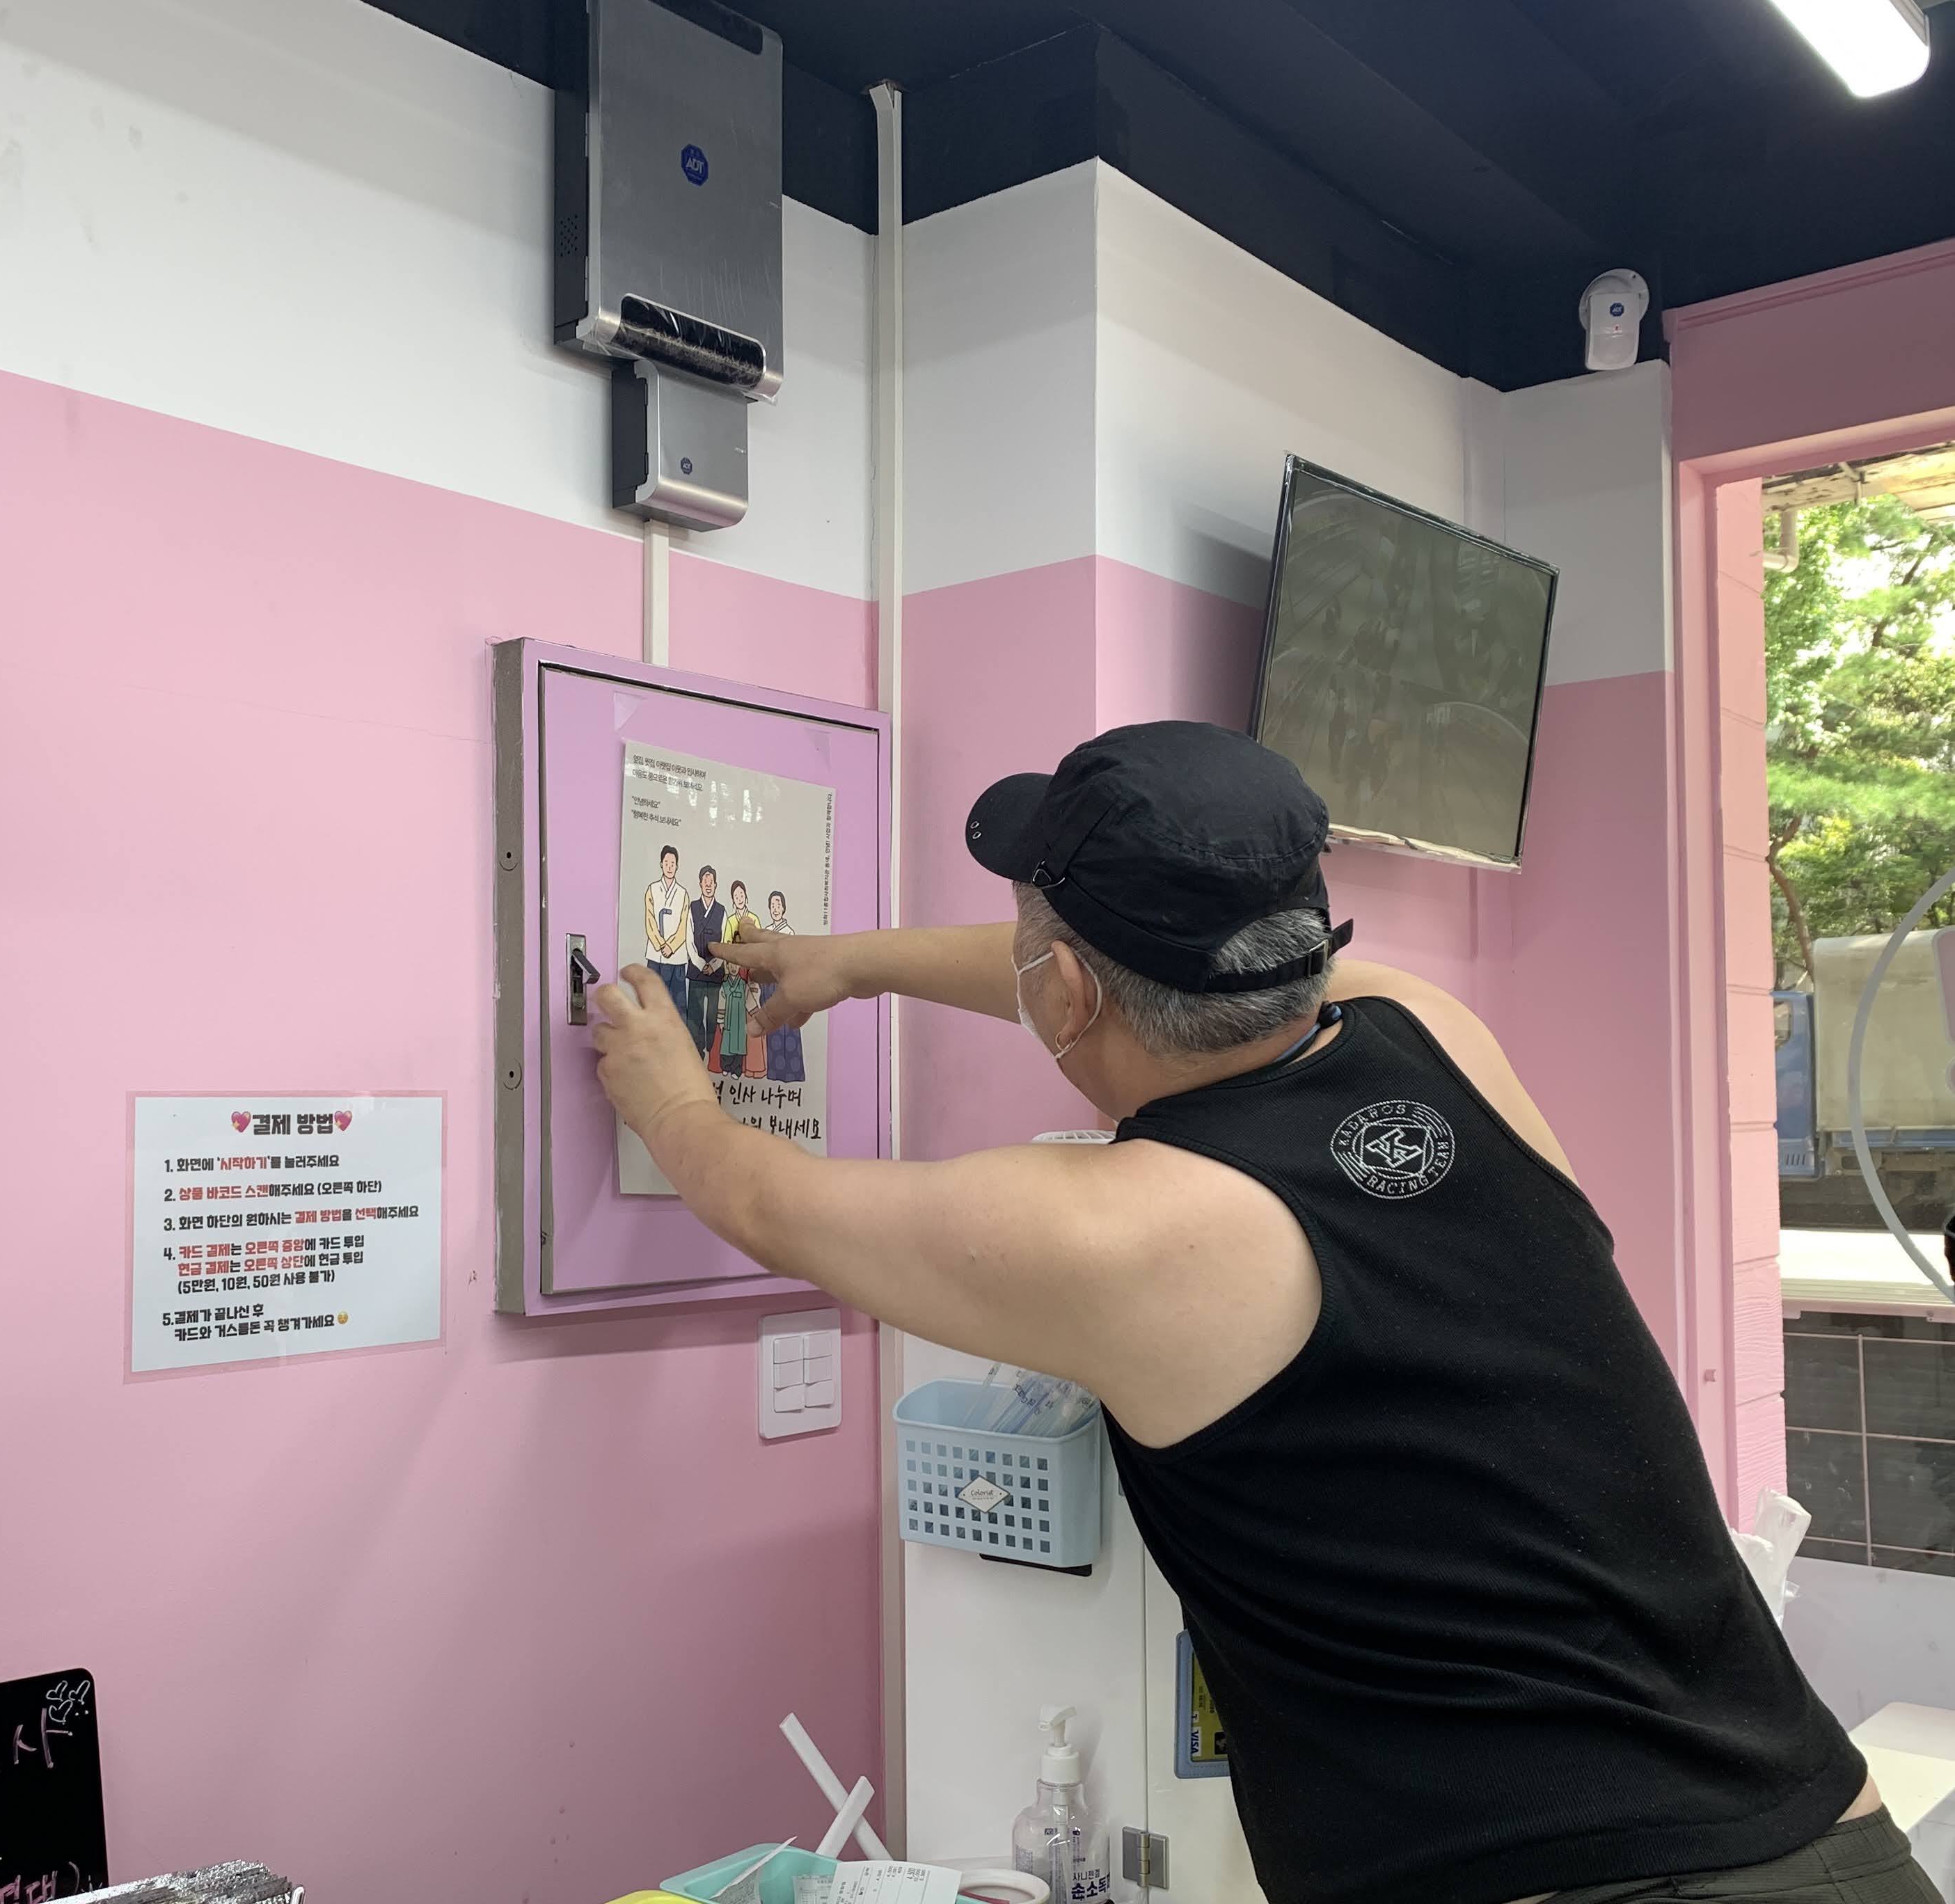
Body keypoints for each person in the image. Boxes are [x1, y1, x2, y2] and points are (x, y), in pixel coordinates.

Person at [591, 720, 1919, 1904]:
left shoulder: (1122, 1230)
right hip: (1830, 1834)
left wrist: (667, 1094)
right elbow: (1103, 977)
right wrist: (852, 964)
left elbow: (766, 1200)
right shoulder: (1429, 1032)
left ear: (1065, 992)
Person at [640, 844, 691, 1010]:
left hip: (677, 958)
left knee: (677, 1008)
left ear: (677, 866)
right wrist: (661, 944)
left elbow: (684, 925)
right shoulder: (652, 889)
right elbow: (650, 921)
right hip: (656, 956)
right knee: (651, 1004)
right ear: (661, 864)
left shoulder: (683, 893)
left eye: (673, 863)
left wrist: (672, 946)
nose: (670, 867)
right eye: (667, 863)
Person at [761, 891, 804, 1084]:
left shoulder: (790, 933)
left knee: (790, 1027)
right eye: (773, 905)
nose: (775, 909)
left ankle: (792, 1073)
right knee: (773, 1029)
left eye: (778, 905)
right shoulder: (765, 931)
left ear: (784, 908)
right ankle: (775, 1072)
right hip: (768, 985)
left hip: (786, 985)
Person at [684, 866, 726, 1060]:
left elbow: (725, 942)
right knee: (694, 1013)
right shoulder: (693, 908)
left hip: (716, 971)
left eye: (711, 882)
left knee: (712, 1015)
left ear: (716, 885)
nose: (708, 885)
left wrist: (714, 965)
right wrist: (701, 965)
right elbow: (688, 940)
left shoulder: (721, 911)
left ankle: (712, 1051)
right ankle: (696, 1051)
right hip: (696, 971)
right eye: (705, 881)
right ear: (700, 884)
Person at [717, 881, 758, 1075]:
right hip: (728, 1017)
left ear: (746, 897)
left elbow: (760, 949)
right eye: (736, 896)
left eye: (741, 894)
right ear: (733, 900)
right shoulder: (730, 920)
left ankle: (738, 1069)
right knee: (727, 1041)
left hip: (750, 971)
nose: (739, 898)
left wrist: (756, 1011)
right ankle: (726, 1066)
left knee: (741, 1040)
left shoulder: (754, 919)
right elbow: (726, 947)